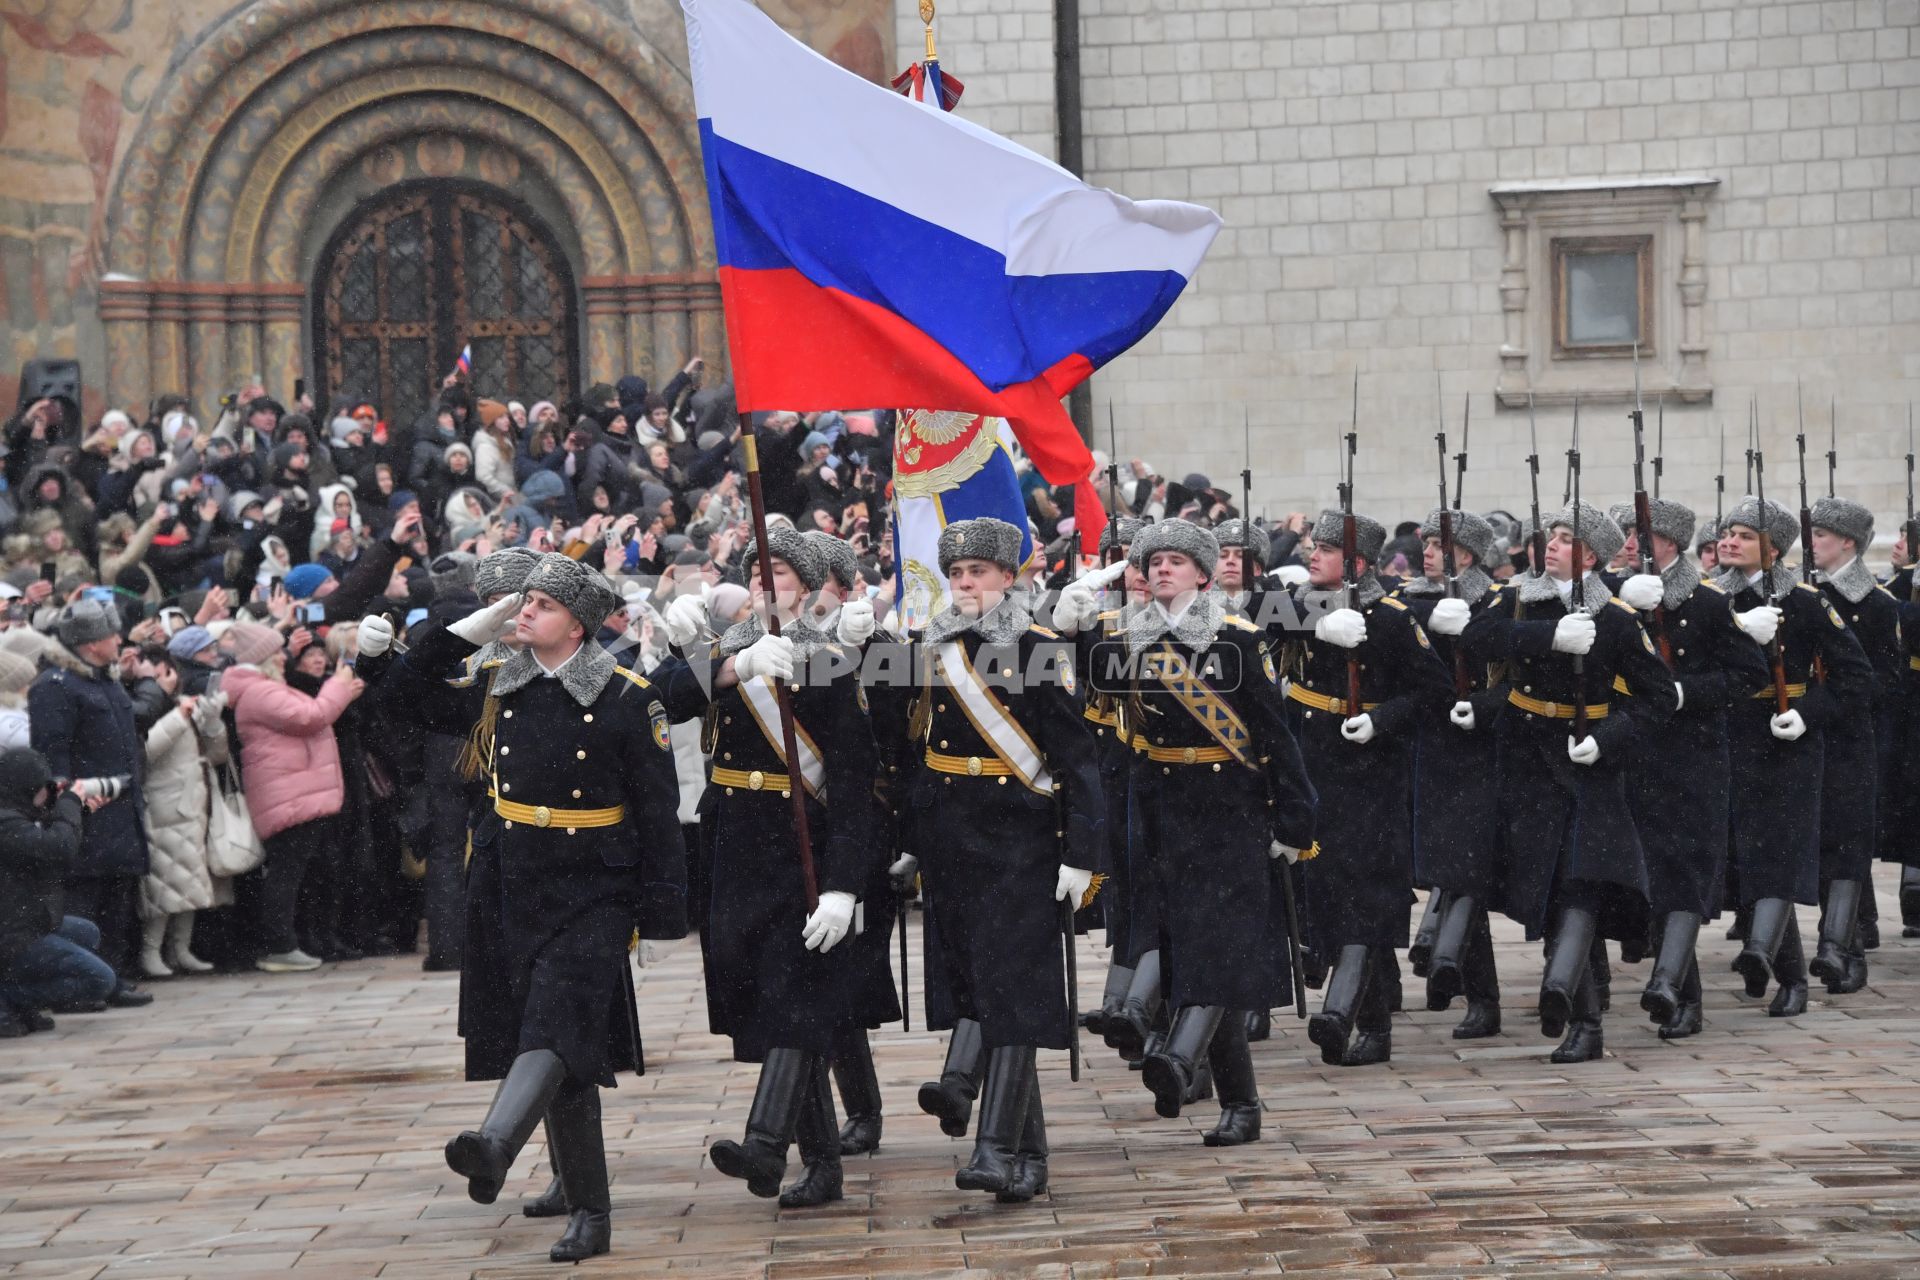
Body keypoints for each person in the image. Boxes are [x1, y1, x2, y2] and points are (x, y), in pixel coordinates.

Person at [433, 554, 686, 1264]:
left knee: (555, 1023)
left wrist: (662, 913)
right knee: (566, 1050)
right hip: (518, 883)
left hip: (597, 888)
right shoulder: (498, 683)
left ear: (576, 623)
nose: (525, 612)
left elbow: (658, 814)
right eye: (524, 602)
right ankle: (590, 1214)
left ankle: (496, 1143)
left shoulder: (629, 696)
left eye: (540, 604)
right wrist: (463, 632)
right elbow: (400, 698)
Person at [871, 517, 1102, 1201]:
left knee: (1008, 989)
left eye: (979, 573)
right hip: (951, 840)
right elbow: (904, 745)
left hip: (1021, 841)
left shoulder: (1038, 648)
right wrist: (872, 649)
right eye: (959, 573)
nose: (967, 583)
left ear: (1010, 578)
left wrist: (1083, 853)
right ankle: (1029, 1160)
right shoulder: (930, 645)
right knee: (985, 989)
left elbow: (1078, 760)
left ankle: (994, 1149)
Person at [1087, 518, 1315, 1139]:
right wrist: (1077, 620)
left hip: (1227, 807)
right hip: (1161, 807)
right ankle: (1238, 1102)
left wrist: (1294, 819)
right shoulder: (1126, 635)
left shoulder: (1235, 638)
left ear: (1204, 575)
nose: (1162, 569)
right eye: (1154, 560)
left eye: (1176, 562)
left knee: (1214, 947)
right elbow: (1092, 694)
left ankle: (1186, 1064)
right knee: (1188, 945)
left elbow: (1274, 732)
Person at [690, 528, 887, 1209]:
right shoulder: (727, 652)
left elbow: (855, 784)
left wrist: (842, 885)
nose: (765, 582)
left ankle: (767, 1141)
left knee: (795, 999)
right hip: (736, 848)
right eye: (757, 572)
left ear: (807, 588)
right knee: (769, 1002)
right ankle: (820, 1167)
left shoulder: (829, 662)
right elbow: (663, 696)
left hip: (800, 847)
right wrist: (731, 667)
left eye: (780, 573)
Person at [1462, 502, 1677, 1062]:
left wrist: (1608, 736)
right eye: (1550, 537)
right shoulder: (1516, 598)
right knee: (1553, 884)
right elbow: (1476, 639)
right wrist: (1548, 638)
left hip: (1589, 765)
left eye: (1564, 539)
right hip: (1527, 758)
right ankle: (1575, 1005)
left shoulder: (1617, 619)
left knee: (1582, 880)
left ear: (1591, 556)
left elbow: (1658, 700)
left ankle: (1573, 1004)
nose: (1551, 546)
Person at [1284, 510, 1450, 1067]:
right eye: (1314, 545)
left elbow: (1433, 692)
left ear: (1356, 564)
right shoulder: (1296, 603)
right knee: (1329, 886)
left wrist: (1382, 720)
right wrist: (1316, 622)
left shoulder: (1393, 618)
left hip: (1369, 770)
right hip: (1313, 763)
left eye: (1327, 550)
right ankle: (1371, 1021)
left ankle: (1352, 1012)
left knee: (1369, 888)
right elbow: (1255, 618)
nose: (1314, 555)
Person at [1609, 499, 1768, 1039]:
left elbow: (1748, 673)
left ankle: (1673, 987)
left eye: (1640, 535)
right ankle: (1674, 990)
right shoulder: (1612, 597)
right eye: (1627, 534)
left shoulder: (1705, 602)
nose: (1629, 543)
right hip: (1630, 753)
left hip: (1692, 754)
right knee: (1651, 873)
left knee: (1683, 869)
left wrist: (1683, 692)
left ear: (1671, 544)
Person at [1713, 497, 1871, 1017]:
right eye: (1727, 532)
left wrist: (1806, 713)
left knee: (1776, 855)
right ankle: (1782, 970)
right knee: (1748, 857)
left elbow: (1855, 676)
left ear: (1773, 549)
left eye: (1743, 535)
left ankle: (1776, 966)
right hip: (1729, 737)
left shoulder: (1804, 601)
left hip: (1786, 743)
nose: (1729, 541)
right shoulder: (1711, 600)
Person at [1401, 508, 1513, 1041]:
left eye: (1437, 545)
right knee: (1452, 870)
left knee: (1468, 872)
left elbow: (1517, 679)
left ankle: (1480, 995)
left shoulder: (1497, 601)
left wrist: (1485, 705)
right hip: (1434, 750)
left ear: (1465, 556)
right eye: (1425, 542)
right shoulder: (1413, 601)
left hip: (1487, 753)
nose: (1426, 551)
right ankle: (1458, 978)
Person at [28, 598, 154, 1008]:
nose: (119, 639)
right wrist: (68, 805)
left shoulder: (105, 680)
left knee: (117, 899)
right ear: (90, 643)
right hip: (87, 814)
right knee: (86, 902)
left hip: (119, 809)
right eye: (111, 634)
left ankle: (111, 977)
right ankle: (83, 985)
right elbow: (54, 754)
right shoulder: (56, 686)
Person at [220, 622, 363, 973]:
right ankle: (280, 945)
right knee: (287, 874)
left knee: (294, 872)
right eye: (276, 654)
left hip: (293, 794)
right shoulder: (259, 693)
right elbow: (311, 716)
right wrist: (338, 687)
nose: (284, 659)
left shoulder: (260, 688)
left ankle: (289, 942)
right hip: (288, 797)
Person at [1805, 496, 1900, 995]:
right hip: (1804, 737)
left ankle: (1844, 949)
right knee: (1821, 843)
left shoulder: (1878, 605)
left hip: (1850, 740)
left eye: (1821, 535)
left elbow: (1885, 679)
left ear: (1848, 543)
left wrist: (1833, 699)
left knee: (1847, 845)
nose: (1812, 543)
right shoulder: (1802, 595)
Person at [0, 748, 117, 1035]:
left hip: (24, 922)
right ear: (24, 786)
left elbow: (50, 849)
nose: (46, 793)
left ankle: (17, 997)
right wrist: (69, 804)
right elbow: (58, 849)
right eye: (43, 787)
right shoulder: (6, 823)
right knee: (100, 980)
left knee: (87, 932)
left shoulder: (16, 816)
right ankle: (11, 998)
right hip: (12, 935)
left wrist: (79, 812)